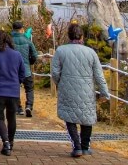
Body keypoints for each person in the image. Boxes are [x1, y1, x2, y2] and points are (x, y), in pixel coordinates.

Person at [51, 23, 110, 158]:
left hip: (67, 88)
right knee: (87, 117)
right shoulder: (91, 52)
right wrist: (104, 92)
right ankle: (85, 147)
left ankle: (76, 147)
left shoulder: (60, 50)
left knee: (69, 117)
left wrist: (60, 82)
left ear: (69, 35)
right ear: (82, 36)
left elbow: (54, 72)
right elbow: (99, 75)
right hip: (87, 89)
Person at [11, 20, 39, 117]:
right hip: (26, 69)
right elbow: (35, 55)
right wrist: (30, 62)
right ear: (22, 30)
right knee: (29, 89)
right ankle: (29, 106)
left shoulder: (9, 40)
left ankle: (18, 108)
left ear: (13, 29)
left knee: (15, 89)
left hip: (13, 70)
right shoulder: (27, 40)